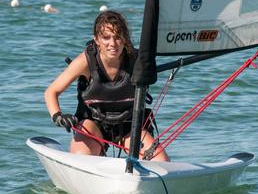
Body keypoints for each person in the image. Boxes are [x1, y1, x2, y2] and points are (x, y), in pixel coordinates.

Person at [44, 10, 170, 161]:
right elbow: (51, 91)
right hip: (94, 124)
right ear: (96, 40)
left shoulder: (138, 61)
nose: (113, 43)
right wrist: (58, 116)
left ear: (125, 39)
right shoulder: (85, 61)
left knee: (161, 162)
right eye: (106, 38)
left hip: (130, 125)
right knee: (81, 157)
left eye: (118, 37)